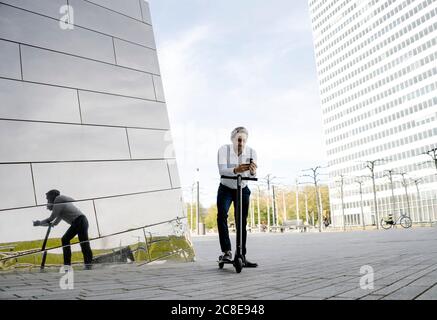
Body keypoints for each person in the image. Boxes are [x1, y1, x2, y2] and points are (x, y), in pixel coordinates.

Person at [217, 126, 258, 267]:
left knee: (242, 221)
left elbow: (253, 174)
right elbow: (222, 169)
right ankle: (227, 251)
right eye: (238, 140)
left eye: (244, 140)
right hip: (226, 188)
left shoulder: (252, 152)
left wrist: (252, 172)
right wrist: (235, 170)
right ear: (232, 139)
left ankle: (241, 254)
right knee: (222, 215)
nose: (241, 143)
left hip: (243, 188)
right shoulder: (223, 150)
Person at [33, 189, 93, 269]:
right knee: (67, 239)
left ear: (52, 196)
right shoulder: (61, 209)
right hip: (78, 222)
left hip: (80, 220)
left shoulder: (59, 199)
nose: (47, 201)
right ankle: (68, 264)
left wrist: (39, 222)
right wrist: (40, 224)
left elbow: (51, 218)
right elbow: (54, 223)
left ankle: (87, 264)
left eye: (48, 198)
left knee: (83, 242)